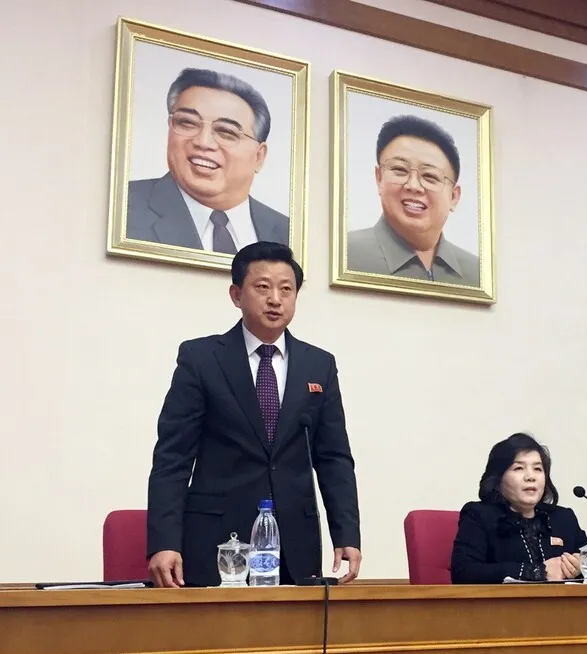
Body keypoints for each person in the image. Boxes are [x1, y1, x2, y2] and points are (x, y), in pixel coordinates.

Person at [146, 241, 361, 588]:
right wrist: (164, 541)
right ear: (236, 294)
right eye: (262, 287)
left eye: (286, 289)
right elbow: (172, 458)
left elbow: (334, 457)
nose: (275, 298)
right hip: (217, 542)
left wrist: (346, 532)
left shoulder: (319, 365)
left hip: (295, 541)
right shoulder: (201, 359)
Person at [126, 67, 289, 253]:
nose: (203, 143)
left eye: (226, 132)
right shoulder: (124, 208)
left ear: (259, 157)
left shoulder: (287, 233)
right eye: (187, 123)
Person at [347, 114, 480, 287]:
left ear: (454, 197)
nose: (413, 185)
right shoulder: (346, 253)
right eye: (400, 170)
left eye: (430, 176)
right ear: (379, 178)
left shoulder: (476, 273)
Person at [451, 433, 587, 584]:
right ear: (498, 478)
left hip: (564, 607)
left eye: (537, 469)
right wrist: (538, 571)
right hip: (502, 607)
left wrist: (581, 567)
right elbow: (464, 572)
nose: (531, 477)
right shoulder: (479, 515)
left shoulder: (563, 518)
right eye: (518, 468)